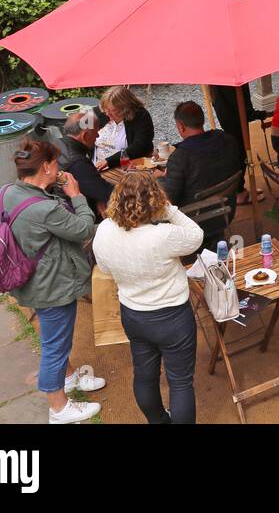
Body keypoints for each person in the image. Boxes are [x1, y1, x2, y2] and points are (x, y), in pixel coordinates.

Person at [2, 139, 105, 424]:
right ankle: (59, 408)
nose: (59, 167)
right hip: (51, 286)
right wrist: (76, 195)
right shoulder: (44, 210)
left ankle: (69, 377)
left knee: (56, 338)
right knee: (54, 347)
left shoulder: (9, 191)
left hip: (31, 279)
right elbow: (84, 228)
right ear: (46, 167)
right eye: (55, 164)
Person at [92, 172, 204, 424]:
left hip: (133, 315)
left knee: (144, 375)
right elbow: (196, 235)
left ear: (116, 199)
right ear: (155, 200)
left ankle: (158, 421)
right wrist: (169, 210)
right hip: (173, 317)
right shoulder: (163, 236)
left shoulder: (105, 231)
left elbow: (106, 269)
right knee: (181, 383)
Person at [160, 101, 243, 248]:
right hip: (225, 211)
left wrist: (159, 179)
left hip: (194, 218)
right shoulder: (227, 139)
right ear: (201, 120)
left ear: (180, 126)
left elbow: (169, 199)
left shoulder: (180, 157)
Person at [58, 110, 113, 209]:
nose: (98, 136)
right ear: (85, 136)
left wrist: (97, 199)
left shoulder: (57, 143)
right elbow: (107, 193)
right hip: (76, 213)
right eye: (96, 132)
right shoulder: (78, 163)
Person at [92, 86, 155, 172]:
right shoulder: (103, 114)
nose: (107, 113)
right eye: (106, 109)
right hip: (97, 166)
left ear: (125, 108)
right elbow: (83, 130)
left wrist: (109, 161)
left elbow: (140, 147)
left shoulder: (141, 116)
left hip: (125, 168)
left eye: (112, 110)